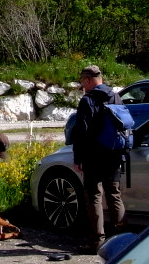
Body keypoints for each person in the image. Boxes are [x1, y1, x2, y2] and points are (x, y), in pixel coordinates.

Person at [72, 64, 127, 255]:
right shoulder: (115, 96)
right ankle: (121, 238)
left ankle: (96, 242)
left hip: (94, 157)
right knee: (114, 195)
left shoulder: (87, 100)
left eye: (82, 82)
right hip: (114, 154)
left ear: (88, 80)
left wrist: (78, 158)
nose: (82, 86)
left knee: (94, 197)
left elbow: (81, 132)